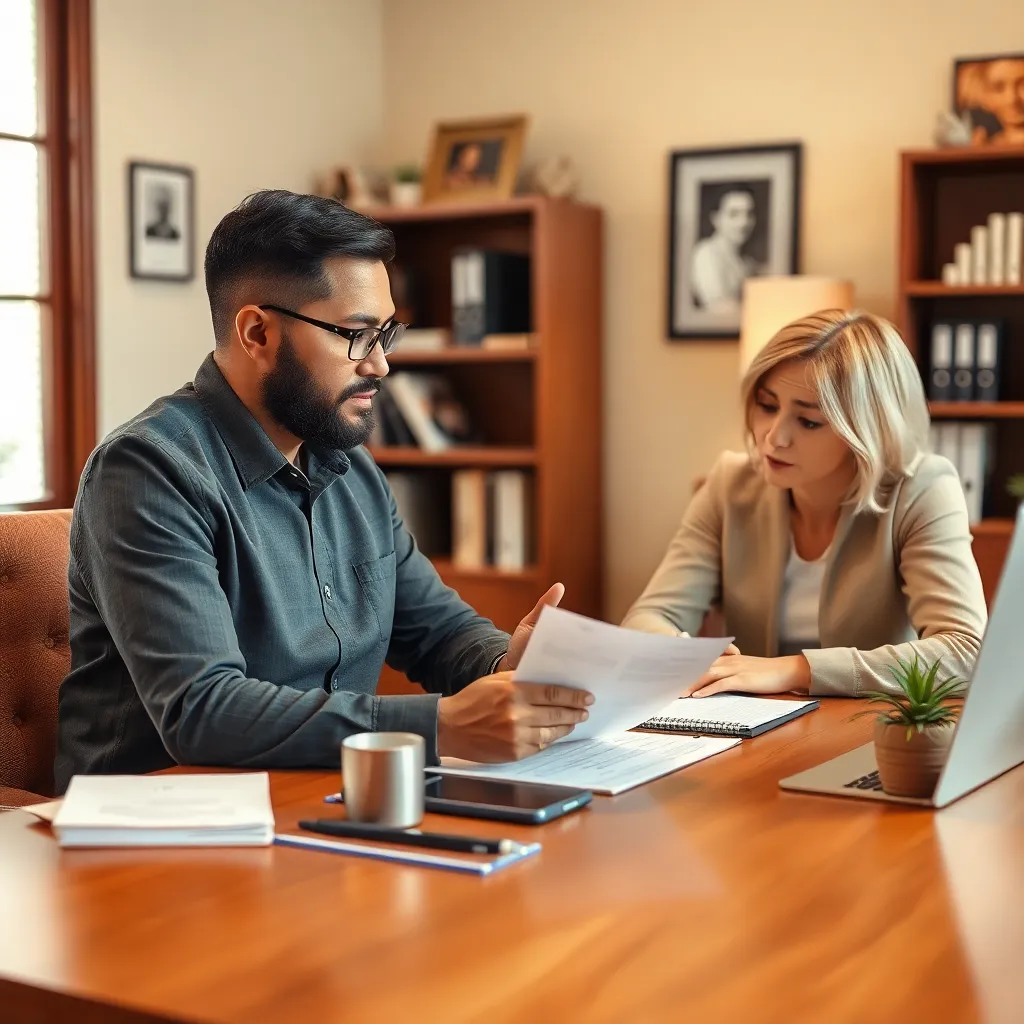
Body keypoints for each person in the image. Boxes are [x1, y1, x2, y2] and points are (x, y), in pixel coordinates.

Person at [55, 190, 592, 792]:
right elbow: (201, 710)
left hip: (318, 801)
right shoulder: (148, 471)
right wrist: (438, 727)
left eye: (386, 335)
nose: (381, 366)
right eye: (356, 334)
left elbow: (439, 632)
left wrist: (507, 667)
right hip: (157, 827)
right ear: (257, 332)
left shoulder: (351, 471)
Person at [622, 309, 987, 700]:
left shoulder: (922, 489)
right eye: (766, 405)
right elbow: (648, 617)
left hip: (867, 734)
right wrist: (684, 655)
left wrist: (794, 670)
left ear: (867, 430)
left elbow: (965, 652)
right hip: (749, 727)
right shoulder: (731, 484)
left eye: (809, 421)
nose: (774, 438)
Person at [689, 187, 760, 314]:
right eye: (734, 214)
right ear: (716, 219)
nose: (743, 222)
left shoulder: (748, 262)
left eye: (749, 214)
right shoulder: (705, 254)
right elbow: (718, 307)